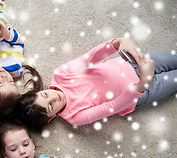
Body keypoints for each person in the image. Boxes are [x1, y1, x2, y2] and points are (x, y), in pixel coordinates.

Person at [17, 37, 177, 131]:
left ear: (39, 91)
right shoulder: (74, 116)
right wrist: (143, 82)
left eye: (45, 95)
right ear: (50, 119)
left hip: (131, 63)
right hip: (142, 90)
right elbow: (111, 107)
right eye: (51, 106)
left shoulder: (61, 75)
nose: (54, 97)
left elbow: (91, 57)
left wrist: (117, 43)